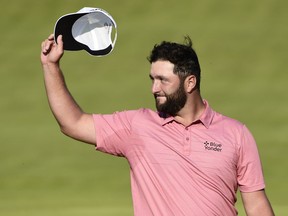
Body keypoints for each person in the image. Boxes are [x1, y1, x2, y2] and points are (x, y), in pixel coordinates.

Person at [41, 34, 274, 216]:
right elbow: (73, 122)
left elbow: (256, 206)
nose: (154, 88)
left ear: (190, 82)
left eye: (163, 80)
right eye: (152, 79)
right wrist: (51, 66)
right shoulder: (137, 126)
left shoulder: (236, 134)